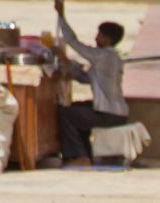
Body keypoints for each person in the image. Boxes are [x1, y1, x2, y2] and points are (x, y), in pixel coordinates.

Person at [53, 0, 128, 167]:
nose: (96, 38)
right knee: (76, 109)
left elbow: (74, 42)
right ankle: (85, 154)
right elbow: (84, 78)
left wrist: (61, 16)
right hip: (112, 112)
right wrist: (65, 61)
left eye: (99, 35)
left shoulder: (104, 56)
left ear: (107, 39)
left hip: (109, 114)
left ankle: (80, 156)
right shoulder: (107, 58)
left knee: (66, 114)